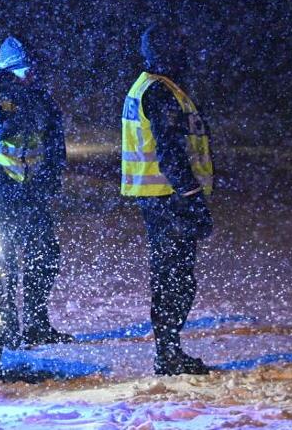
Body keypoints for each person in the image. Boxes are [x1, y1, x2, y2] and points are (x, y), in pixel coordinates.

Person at [0, 36, 71, 345]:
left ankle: (37, 323)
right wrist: (25, 107)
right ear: (8, 70)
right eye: (25, 70)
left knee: (45, 254)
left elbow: (55, 139)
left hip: (30, 188)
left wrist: (52, 174)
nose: (31, 76)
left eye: (33, 70)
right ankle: (7, 328)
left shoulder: (38, 95)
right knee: (3, 261)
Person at [121, 23, 215, 375]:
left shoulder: (150, 86)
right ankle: (169, 353)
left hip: (158, 196)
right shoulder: (160, 91)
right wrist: (191, 195)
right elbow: (170, 151)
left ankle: (168, 351)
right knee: (176, 278)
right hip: (169, 197)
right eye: (180, 48)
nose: (186, 55)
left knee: (170, 275)